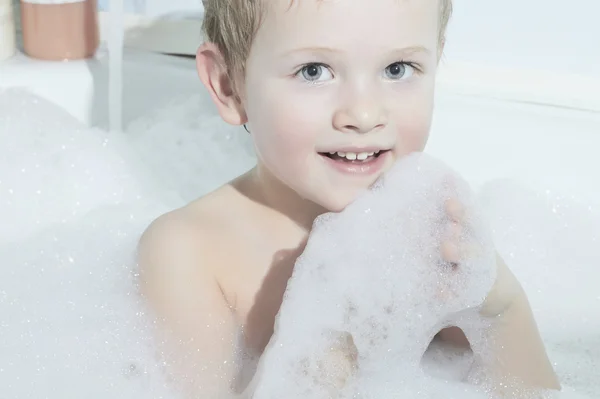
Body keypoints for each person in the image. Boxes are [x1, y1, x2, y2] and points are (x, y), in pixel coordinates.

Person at [137, 0, 561, 397]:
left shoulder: (431, 227)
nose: (363, 114)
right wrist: (332, 343)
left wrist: (498, 305)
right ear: (229, 85)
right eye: (314, 71)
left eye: (397, 69)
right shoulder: (189, 251)